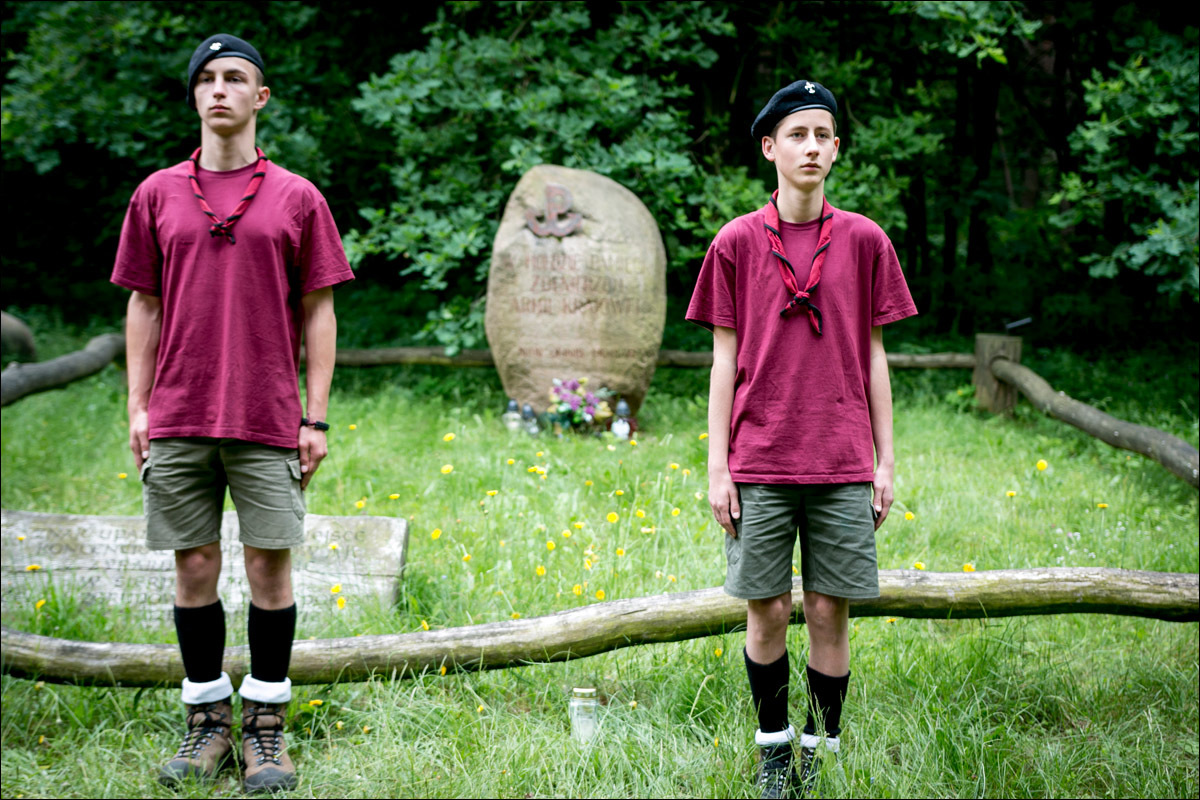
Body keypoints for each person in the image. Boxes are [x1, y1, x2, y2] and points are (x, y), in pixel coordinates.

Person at [111, 33, 354, 793]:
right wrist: (139, 406)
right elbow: (143, 304)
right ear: (194, 95)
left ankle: (266, 727)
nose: (220, 89)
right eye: (207, 79)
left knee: (267, 566)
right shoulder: (157, 193)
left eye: (235, 78)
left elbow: (320, 310)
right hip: (179, 411)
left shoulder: (297, 197)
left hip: (267, 414)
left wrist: (315, 418)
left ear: (260, 97)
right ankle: (207, 719)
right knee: (193, 566)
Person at [686, 79, 916, 798]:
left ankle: (821, 748)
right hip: (760, 458)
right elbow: (722, 361)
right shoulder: (734, 242)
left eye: (822, 135)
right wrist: (718, 468)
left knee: (826, 609)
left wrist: (884, 461)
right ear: (769, 148)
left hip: (841, 458)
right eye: (796, 135)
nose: (810, 147)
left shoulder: (866, 240)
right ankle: (775, 751)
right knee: (767, 609)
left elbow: (875, 357)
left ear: (836, 148)